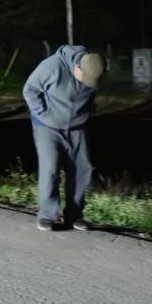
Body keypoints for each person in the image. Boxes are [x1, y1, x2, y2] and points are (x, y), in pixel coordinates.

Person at [23, 45, 105, 232]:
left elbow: (89, 97)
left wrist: (87, 112)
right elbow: (30, 89)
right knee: (50, 168)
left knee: (82, 169)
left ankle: (74, 216)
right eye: (84, 78)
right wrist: (43, 114)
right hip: (47, 127)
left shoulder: (94, 68)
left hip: (77, 127)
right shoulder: (52, 66)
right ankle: (47, 215)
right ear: (77, 67)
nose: (87, 82)